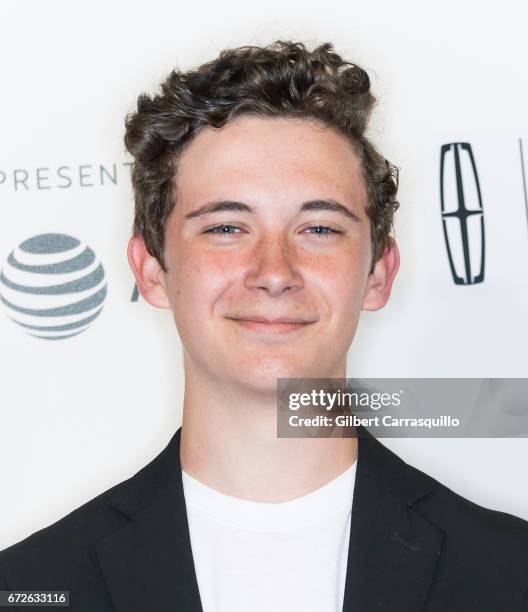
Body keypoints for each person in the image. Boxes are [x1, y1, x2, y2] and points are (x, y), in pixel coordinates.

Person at [1, 40, 527, 612]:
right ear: (151, 270)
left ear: (378, 273)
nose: (274, 272)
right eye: (226, 227)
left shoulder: (510, 575)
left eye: (319, 228)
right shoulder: (31, 586)